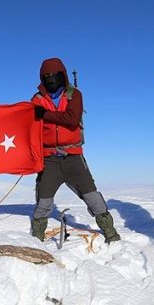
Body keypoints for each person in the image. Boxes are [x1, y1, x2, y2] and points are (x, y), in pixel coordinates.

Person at [31, 57, 121, 244]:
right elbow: (30, 127)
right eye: (46, 76)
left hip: (73, 157)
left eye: (54, 75)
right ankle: (36, 239)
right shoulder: (36, 100)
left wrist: (45, 114)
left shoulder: (74, 95)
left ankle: (111, 234)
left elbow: (72, 119)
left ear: (62, 75)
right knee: (43, 203)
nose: (50, 79)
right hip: (49, 159)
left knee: (92, 197)